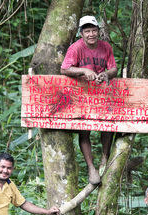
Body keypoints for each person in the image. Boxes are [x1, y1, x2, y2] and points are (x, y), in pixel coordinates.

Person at [61, 15, 118, 185]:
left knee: (107, 126)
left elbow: (113, 68)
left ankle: (104, 158)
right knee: (84, 130)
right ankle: (91, 167)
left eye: (94, 30)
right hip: (82, 94)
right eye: (87, 31)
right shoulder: (75, 48)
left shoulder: (106, 47)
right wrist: (84, 71)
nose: (91, 34)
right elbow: (64, 69)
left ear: (98, 31)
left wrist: (105, 74)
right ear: (81, 33)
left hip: (102, 94)